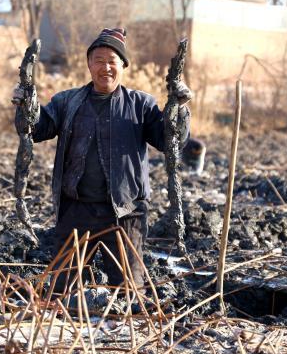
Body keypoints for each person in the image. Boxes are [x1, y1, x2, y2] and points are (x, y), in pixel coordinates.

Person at [13, 28, 192, 292]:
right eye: (98, 60)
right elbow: (37, 129)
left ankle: (120, 330)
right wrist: (25, 106)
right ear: (88, 64)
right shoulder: (67, 101)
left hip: (125, 213)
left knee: (129, 293)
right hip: (75, 210)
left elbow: (169, 141)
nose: (105, 67)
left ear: (123, 66)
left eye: (112, 61)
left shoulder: (141, 105)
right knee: (63, 291)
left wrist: (180, 108)